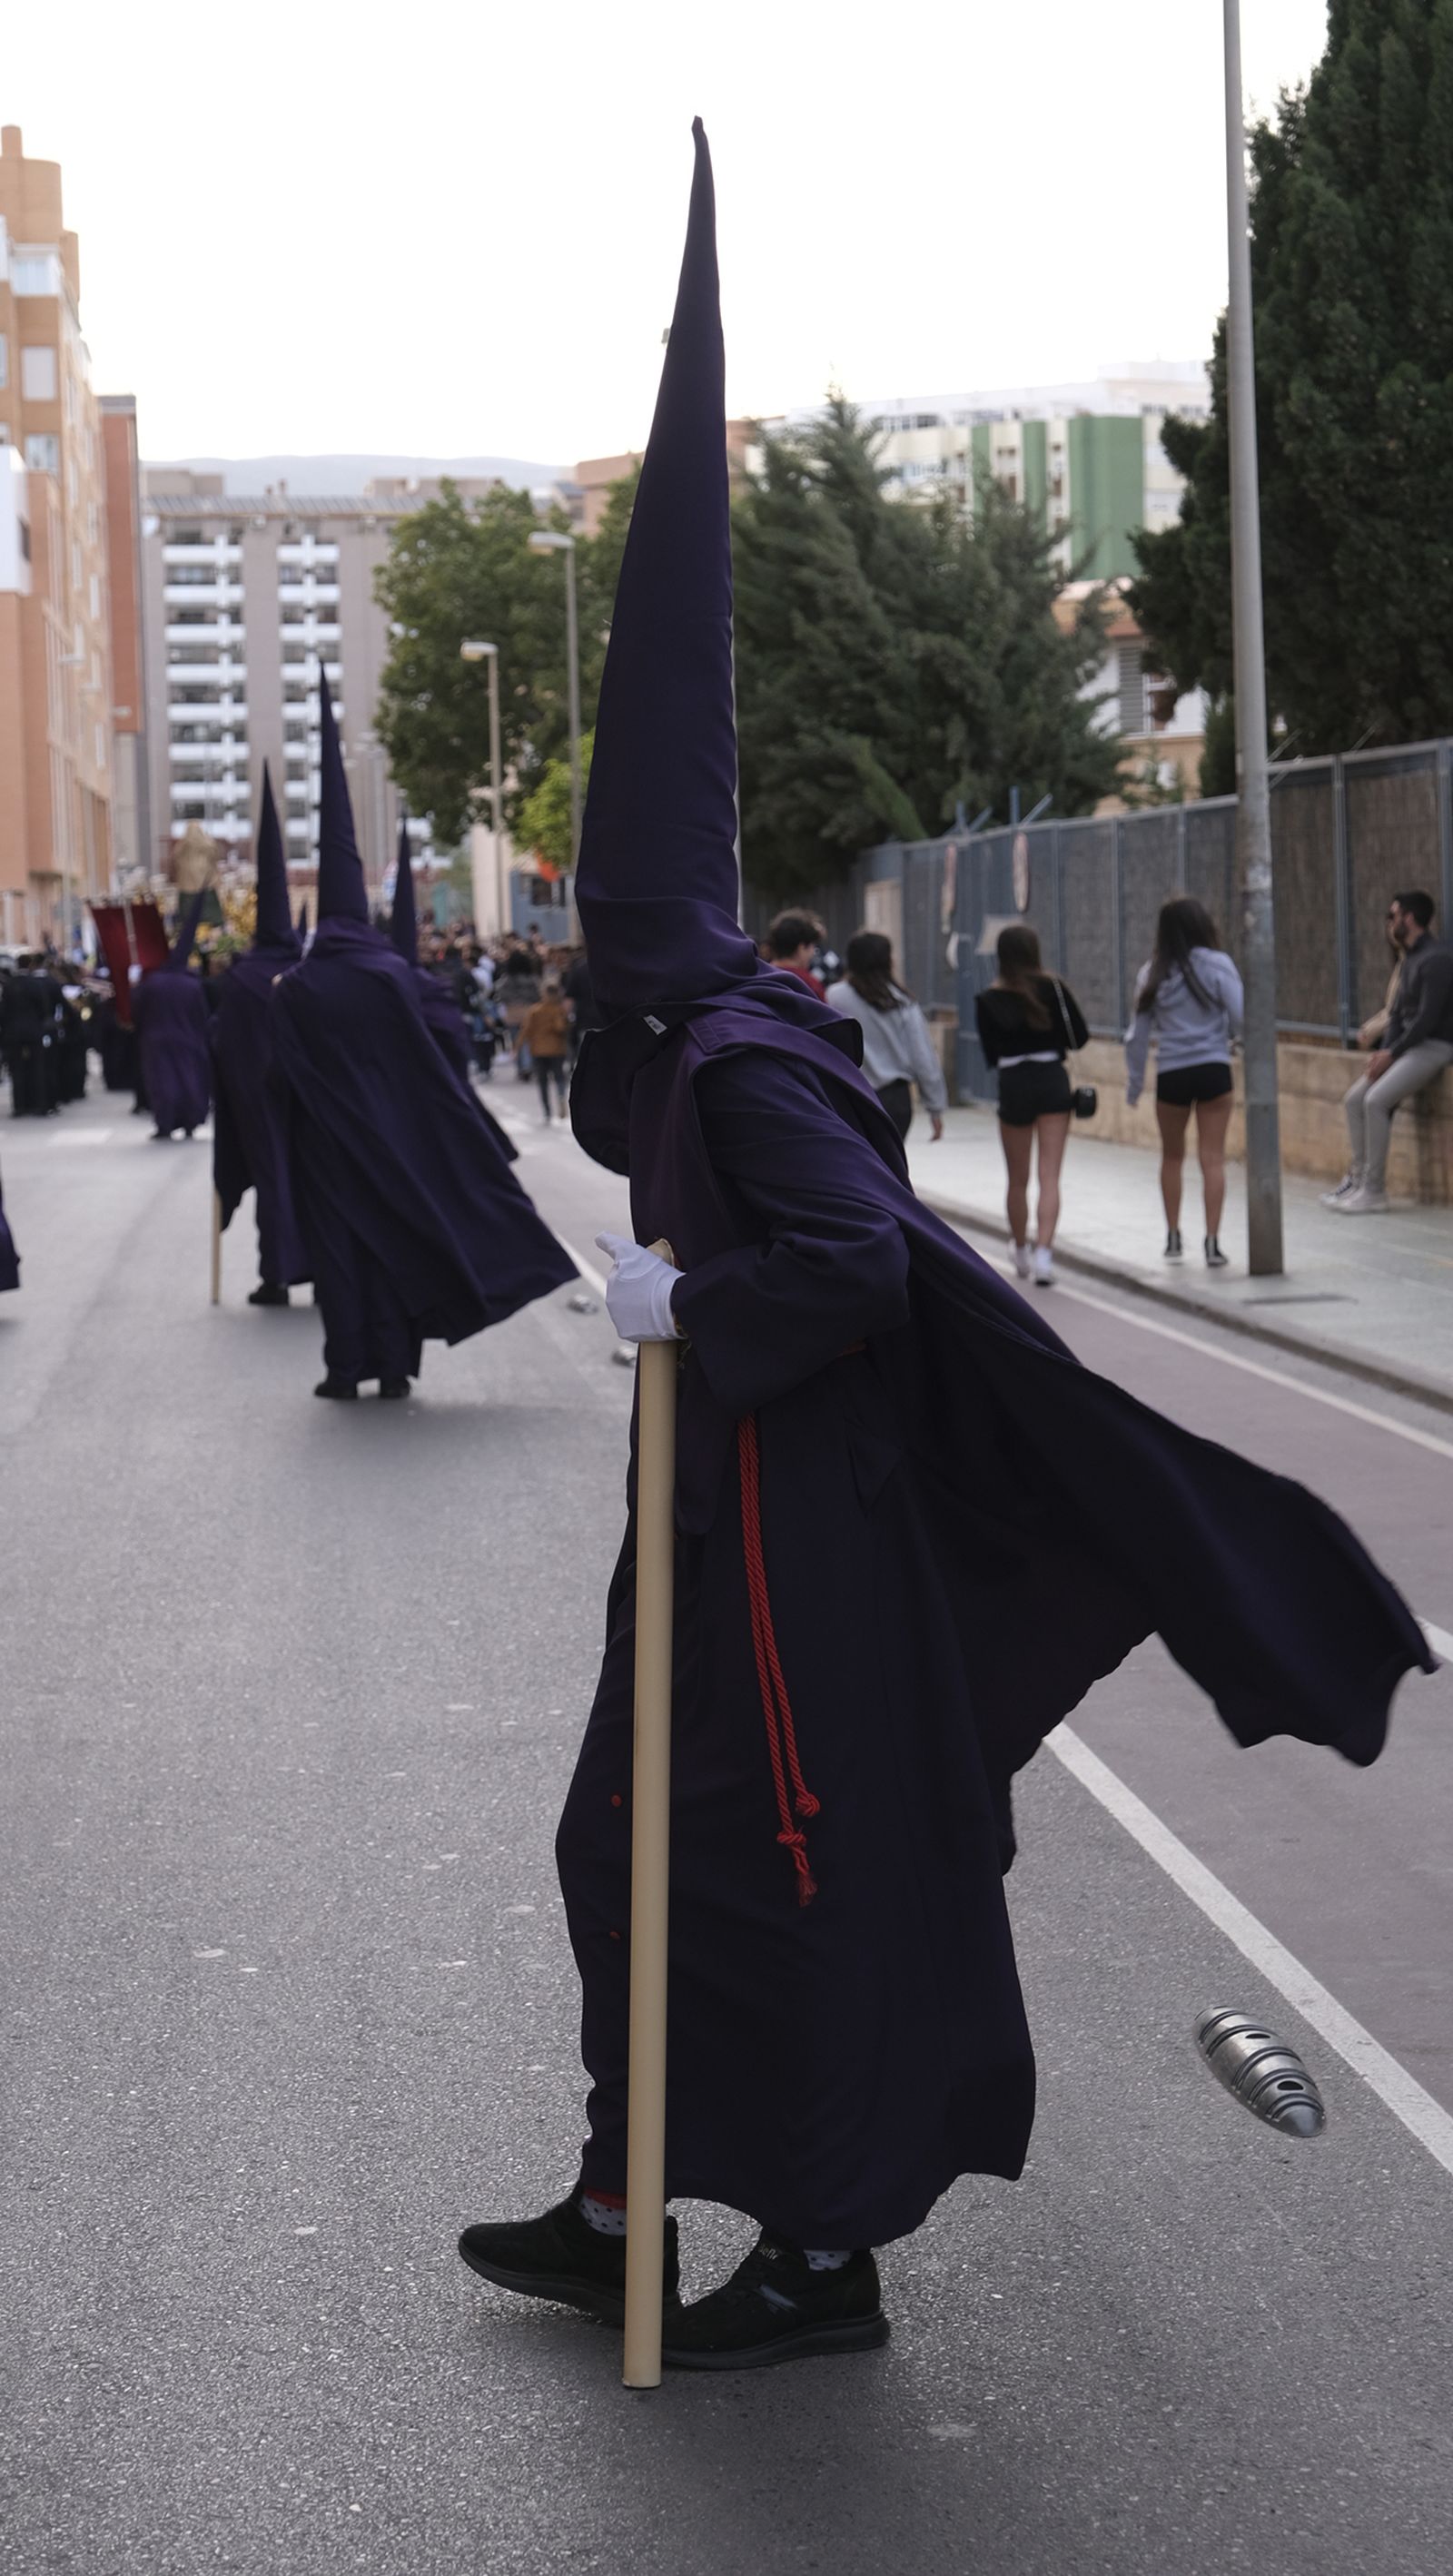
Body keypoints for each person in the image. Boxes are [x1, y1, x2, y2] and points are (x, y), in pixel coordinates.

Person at [454, 123, 1432, 2373]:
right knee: (643, 1850)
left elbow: (855, 1271)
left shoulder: (740, 1067)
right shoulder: (700, 1054)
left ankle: (807, 2257)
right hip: (744, 1526)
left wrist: (695, 1300)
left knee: (755, 1873)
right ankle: (634, 2197)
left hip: (807, 1563)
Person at [270, 676, 574, 1400]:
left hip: (327, 1144)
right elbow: (428, 1063)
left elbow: (281, 1076)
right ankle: (398, 1365)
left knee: (344, 1252)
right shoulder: (392, 975)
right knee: (396, 1241)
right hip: (398, 1131)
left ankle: (346, 1366)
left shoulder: (301, 986)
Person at [210, 765, 311, 1308]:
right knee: (316, 1184)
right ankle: (319, 1271)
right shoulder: (308, 973)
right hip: (309, 1101)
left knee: (275, 1183)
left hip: (258, 1100)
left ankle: (275, 1276)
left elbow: (223, 1044)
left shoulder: (241, 978)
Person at [1124, 898, 1243, 1268]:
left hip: (1172, 1072)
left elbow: (1137, 1036)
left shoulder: (1152, 973)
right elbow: (1241, 1016)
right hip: (1213, 1068)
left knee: (1172, 1156)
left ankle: (1173, 1237)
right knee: (1213, 1158)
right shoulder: (1219, 965)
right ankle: (1212, 1242)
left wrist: (1134, 1084)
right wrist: (1235, 1043)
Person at [1324, 890, 1453, 1213]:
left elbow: (1428, 1018)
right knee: (1355, 1099)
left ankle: (1374, 1189)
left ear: (1409, 919)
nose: (1389, 922)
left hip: (1434, 1046)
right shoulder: (1409, 959)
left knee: (1376, 1100)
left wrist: (1392, 1053)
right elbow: (1397, 1015)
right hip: (1406, 1049)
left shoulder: (1437, 959)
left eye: (1392, 915)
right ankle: (1357, 1180)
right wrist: (1384, 1053)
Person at [974, 923, 1088, 1287]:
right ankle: (1044, 1257)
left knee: (1017, 1179)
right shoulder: (1053, 988)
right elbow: (1080, 1037)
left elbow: (990, 1054)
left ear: (1001, 956)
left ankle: (1020, 1250)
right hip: (1053, 1079)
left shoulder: (988, 1000)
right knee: (1050, 1176)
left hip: (1014, 1084)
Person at [825, 932, 946, 1145]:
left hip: (852, 1096)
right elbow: (922, 1055)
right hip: (895, 1099)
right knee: (892, 1169)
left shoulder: (834, 997)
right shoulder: (901, 1001)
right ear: (887, 960)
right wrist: (935, 1107)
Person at [129, 893, 213, 1141]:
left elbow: (138, 1010)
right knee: (188, 1080)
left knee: (162, 1082)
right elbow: (202, 1013)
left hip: (156, 1039)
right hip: (188, 1038)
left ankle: (165, 1123)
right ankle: (189, 1121)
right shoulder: (192, 985)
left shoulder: (152, 983)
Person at [1, 954, 63, 1116]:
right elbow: (44, 1009)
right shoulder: (35, 985)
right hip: (35, 1032)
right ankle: (40, 1105)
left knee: (17, 1070)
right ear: (30, 965)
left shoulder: (10, 985)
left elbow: (4, 1011)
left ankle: (19, 1106)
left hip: (14, 1033)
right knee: (38, 1068)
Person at [519, 979, 571, 1121]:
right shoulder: (559, 1010)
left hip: (538, 1050)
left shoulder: (535, 1010)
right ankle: (561, 1097)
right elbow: (560, 1028)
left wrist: (517, 1047)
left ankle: (547, 1110)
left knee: (542, 1081)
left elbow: (526, 1029)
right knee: (559, 1077)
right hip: (557, 1049)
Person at [765, 910, 826, 1000]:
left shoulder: (759, 976)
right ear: (801, 948)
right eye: (812, 947)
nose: (813, 953)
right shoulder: (810, 985)